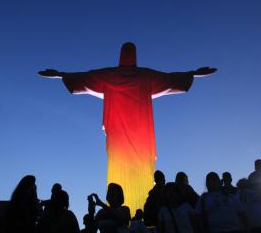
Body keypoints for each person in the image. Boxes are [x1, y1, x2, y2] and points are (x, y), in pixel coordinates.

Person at [39, 42, 216, 212]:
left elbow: (85, 78)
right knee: (121, 171)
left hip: (133, 140)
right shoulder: (140, 76)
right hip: (131, 139)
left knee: (137, 172)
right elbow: (170, 79)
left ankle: (141, 212)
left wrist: (62, 74)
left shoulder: (117, 75)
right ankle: (124, 213)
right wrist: (192, 73)